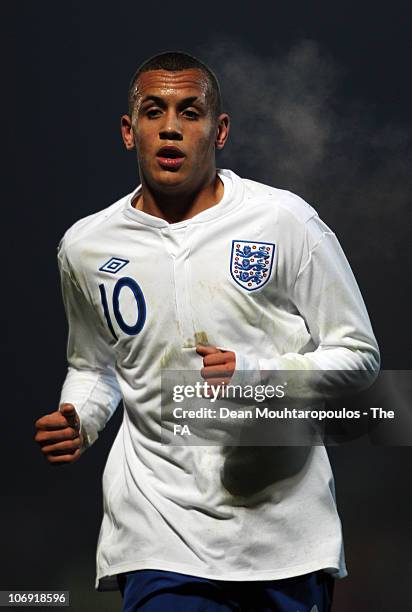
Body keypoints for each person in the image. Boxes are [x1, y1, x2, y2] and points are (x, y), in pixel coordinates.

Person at [34, 51, 380, 611]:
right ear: (129, 131)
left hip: (284, 535)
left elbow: (360, 358)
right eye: (154, 111)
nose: (171, 127)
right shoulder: (86, 245)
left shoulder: (285, 221)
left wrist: (259, 376)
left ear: (218, 130)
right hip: (156, 535)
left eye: (190, 112)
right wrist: (82, 416)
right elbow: (94, 366)